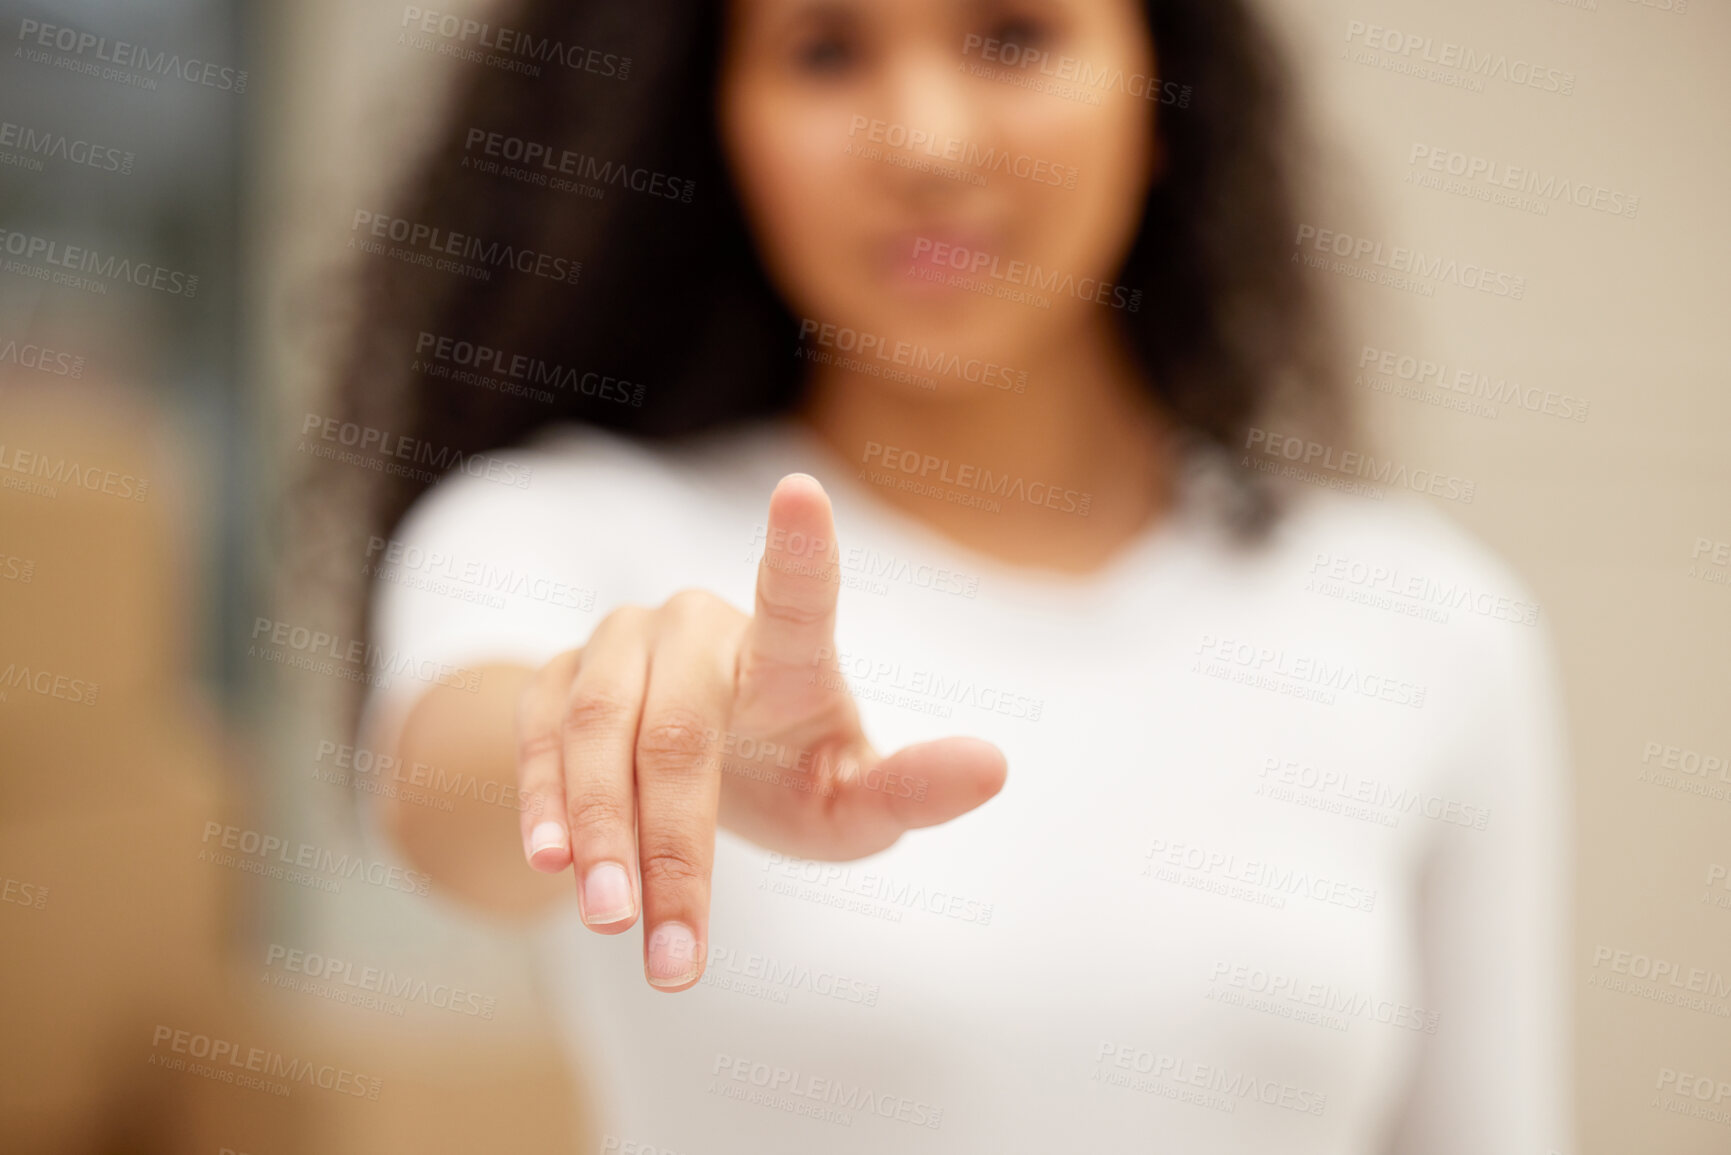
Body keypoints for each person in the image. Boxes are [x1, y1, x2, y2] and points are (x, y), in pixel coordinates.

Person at [330, 0, 1575, 1150]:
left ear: (1167, 90)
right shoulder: (566, 534)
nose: (925, 144)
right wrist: (607, 723)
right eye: (825, 52)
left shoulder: (1422, 622)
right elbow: (446, 799)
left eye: (1013, 37)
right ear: (715, 122)